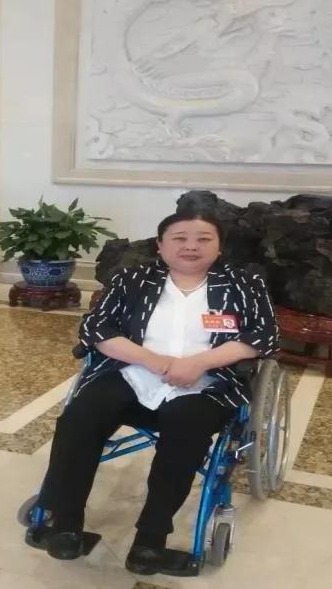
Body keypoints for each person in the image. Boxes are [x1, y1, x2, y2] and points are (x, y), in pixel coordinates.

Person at [37, 209, 279, 575]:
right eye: (180, 238)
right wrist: (152, 360)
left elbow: (264, 336)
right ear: (161, 246)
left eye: (203, 239)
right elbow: (97, 328)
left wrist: (199, 363)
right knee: (81, 416)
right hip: (133, 374)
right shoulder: (133, 279)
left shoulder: (243, 284)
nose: (191, 246)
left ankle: (149, 542)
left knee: (186, 428)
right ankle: (66, 525)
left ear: (219, 247)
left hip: (208, 383)